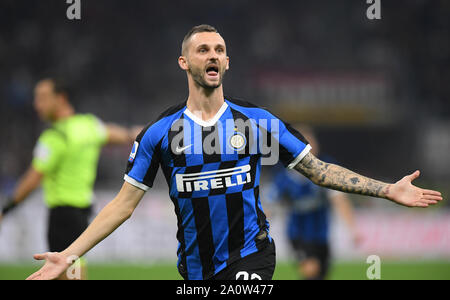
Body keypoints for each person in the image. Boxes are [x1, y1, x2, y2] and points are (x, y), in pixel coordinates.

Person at [25, 25, 443, 280]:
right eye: (203, 50)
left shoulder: (257, 122)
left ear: (228, 63)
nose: (213, 55)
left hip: (252, 257)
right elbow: (121, 205)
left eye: (220, 50)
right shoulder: (159, 133)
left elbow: (318, 170)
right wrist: (69, 253)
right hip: (193, 269)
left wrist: (388, 190)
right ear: (183, 62)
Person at [0, 78, 139, 279]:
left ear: (61, 98)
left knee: (67, 273)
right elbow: (120, 135)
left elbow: (32, 179)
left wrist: (6, 208)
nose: (37, 104)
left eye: (43, 98)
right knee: (68, 271)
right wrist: (139, 133)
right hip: (81, 215)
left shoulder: (55, 137)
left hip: (62, 217)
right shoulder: (88, 125)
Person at [266, 126, 360, 280]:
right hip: (298, 234)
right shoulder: (283, 174)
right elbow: (270, 205)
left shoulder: (326, 169)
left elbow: (339, 199)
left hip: (321, 234)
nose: (309, 147)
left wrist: (352, 228)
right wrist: (258, 231)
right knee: (311, 270)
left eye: (310, 142)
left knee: (321, 274)